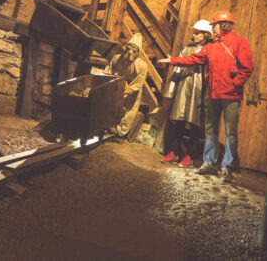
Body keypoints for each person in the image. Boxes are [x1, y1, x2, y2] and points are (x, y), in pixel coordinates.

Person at [158, 10, 253, 183]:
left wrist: (234, 84)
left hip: (231, 95)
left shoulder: (239, 42)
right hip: (214, 94)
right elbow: (191, 59)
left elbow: (247, 68)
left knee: (230, 132)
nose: (213, 28)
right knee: (211, 130)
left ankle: (227, 167)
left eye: (214, 25)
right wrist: (172, 60)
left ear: (223, 25)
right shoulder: (211, 47)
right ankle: (209, 163)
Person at [160, 19, 212, 168]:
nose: (193, 35)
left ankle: (190, 156)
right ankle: (174, 152)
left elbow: (210, 73)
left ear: (205, 35)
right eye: (194, 33)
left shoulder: (209, 50)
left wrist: (207, 96)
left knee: (195, 123)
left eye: (197, 33)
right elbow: (177, 69)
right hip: (183, 87)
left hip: (199, 89)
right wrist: (171, 89)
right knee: (178, 120)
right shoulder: (186, 49)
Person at [106, 33, 148, 137]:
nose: (130, 52)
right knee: (112, 105)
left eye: (134, 51)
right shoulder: (117, 58)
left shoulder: (142, 66)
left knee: (129, 111)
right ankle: (109, 124)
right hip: (119, 84)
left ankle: (121, 130)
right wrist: (109, 80)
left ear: (138, 53)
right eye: (128, 49)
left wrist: (126, 91)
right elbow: (110, 70)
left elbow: (138, 83)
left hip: (132, 89)